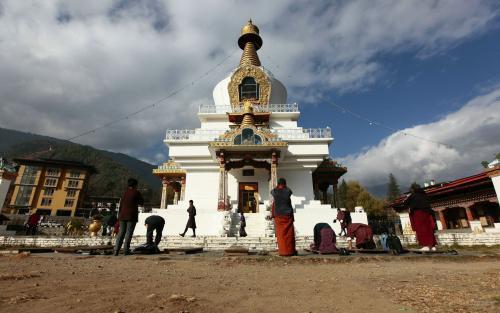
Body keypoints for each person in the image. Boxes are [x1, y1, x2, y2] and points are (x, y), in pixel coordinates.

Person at [114, 178, 144, 256]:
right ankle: (126, 250)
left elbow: (121, 205)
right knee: (128, 233)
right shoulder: (136, 192)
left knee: (121, 232)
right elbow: (142, 202)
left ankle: (116, 250)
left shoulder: (124, 193)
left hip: (122, 215)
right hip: (131, 215)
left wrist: (119, 215)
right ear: (135, 185)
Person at [405, 184, 437, 251]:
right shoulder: (424, 194)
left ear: (413, 189)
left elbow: (406, 202)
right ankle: (433, 246)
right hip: (427, 213)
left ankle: (426, 246)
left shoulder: (413, 195)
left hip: (418, 213)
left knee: (421, 229)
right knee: (429, 229)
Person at [270, 178, 297, 256]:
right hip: (287, 214)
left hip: (278, 215)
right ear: (285, 184)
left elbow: (272, 190)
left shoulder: (274, 191)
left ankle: (282, 251)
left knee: (280, 234)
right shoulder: (288, 191)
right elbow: (289, 190)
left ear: (278, 184)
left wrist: (277, 186)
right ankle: (290, 251)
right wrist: (285, 186)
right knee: (289, 233)